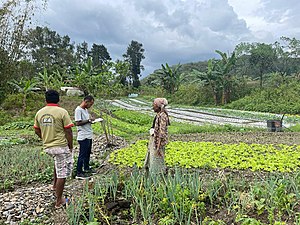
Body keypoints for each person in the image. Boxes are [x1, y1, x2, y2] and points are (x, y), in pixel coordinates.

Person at [34, 90, 74, 209]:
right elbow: (68, 130)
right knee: (63, 172)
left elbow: (36, 130)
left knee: (57, 164)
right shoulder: (62, 112)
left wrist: (45, 138)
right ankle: (59, 201)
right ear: (58, 99)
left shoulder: (39, 113)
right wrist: (70, 145)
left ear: (46, 99)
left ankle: (55, 186)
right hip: (60, 146)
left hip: (48, 147)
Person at [144, 98, 170, 175]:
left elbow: (162, 134)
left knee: (157, 159)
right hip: (155, 140)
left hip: (158, 143)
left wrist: (158, 147)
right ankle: (152, 173)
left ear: (158, 106)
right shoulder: (159, 115)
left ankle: (158, 175)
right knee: (152, 159)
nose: (153, 107)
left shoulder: (162, 116)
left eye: (154, 106)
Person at [74, 95, 95, 179]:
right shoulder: (78, 110)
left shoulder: (85, 110)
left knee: (87, 153)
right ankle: (79, 172)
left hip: (88, 134)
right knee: (82, 154)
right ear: (86, 102)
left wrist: (90, 120)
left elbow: (85, 120)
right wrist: (88, 120)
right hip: (83, 135)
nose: (91, 106)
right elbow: (78, 122)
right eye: (90, 104)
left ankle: (86, 168)